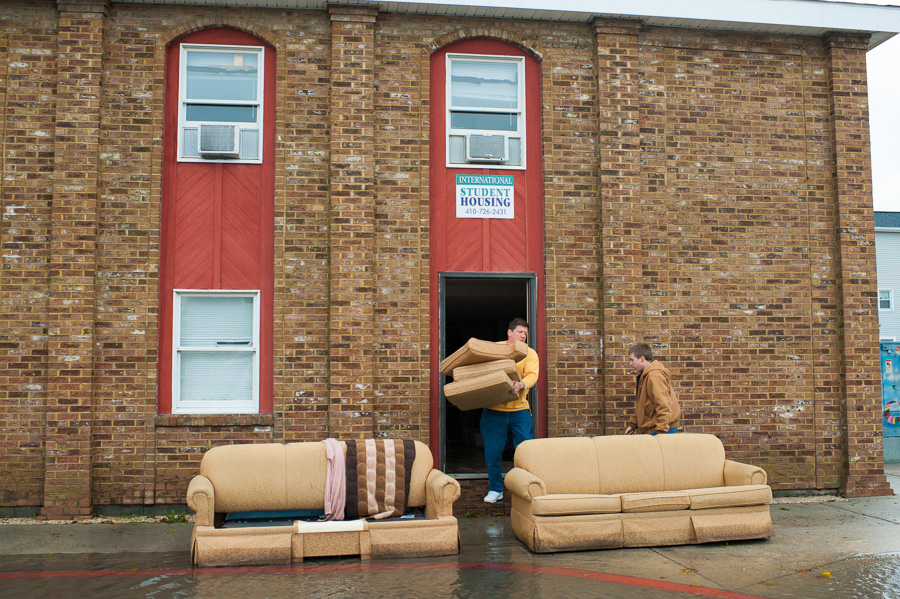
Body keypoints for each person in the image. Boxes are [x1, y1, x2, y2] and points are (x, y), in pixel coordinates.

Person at [480, 318, 539, 503]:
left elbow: (532, 376)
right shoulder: (495, 348)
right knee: (492, 451)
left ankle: (526, 489)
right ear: (509, 332)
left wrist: (521, 384)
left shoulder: (530, 353)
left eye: (525, 334)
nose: (523, 336)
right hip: (493, 410)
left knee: (525, 451)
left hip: (519, 411)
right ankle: (496, 489)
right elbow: (482, 369)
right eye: (520, 332)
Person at [624, 343, 680, 435]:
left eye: (632, 360)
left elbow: (664, 404)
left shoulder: (654, 376)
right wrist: (633, 424)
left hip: (660, 429)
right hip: (655, 427)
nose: (630, 364)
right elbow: (642, 405)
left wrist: (661, 433)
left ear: (642, 358)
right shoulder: (644, 375)